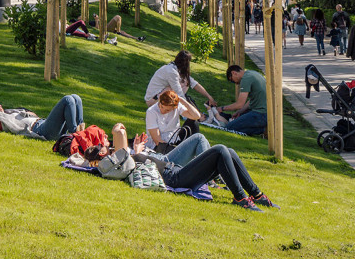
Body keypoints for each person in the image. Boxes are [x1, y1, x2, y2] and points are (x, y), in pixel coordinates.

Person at [85, 123, 275, 211]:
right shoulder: (116, 160)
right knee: (220, 150)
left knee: (229, 151)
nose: (104, 143)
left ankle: (257, 195)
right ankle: (240, 198)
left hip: (175, 168)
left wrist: (136, 150)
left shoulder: (124, 157)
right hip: (175, 178)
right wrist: (129, 149)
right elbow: (118, 129)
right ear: (102, 155)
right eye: (100, 146)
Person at [0, 95, 85, 140]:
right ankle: (75, 136)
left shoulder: (10, 112)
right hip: (40, 130)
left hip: (43, 123)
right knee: (68, 100)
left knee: (76, 98)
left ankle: (82, 133)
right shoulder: (1, 117)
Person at [144, 50, 218, 108]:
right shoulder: (171, 72)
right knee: (183, 84)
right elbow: (179, 92)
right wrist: (189, 110)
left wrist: (209, 97)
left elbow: (194, 84)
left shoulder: (175, 70)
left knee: (186, 81)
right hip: (152, 101)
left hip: (157, 97)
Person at [145, 89, 206, 154]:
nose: (162, 111)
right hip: (160, 145)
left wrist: (182, 100)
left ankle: (200, 154)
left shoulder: (177, 107)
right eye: (161, 106)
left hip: (175, 139)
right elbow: (157, 141)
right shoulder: (151, 112)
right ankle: (190, 153)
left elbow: (196, 116)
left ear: (174, 107)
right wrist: (176, 149)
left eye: (167, 110)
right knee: (179, 152)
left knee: (193, 122)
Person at [215, 64, 268, 136]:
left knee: (229, 128)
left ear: (234, 73)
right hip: (264, 113)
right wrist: (240, 112)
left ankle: (261, 129)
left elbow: (239, 104)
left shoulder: (245, 79)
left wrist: (222, 108)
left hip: (260, 114)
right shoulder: (251, 73)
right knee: (235, 119)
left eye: (232, 80)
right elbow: (251, 100)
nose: (236, 83)